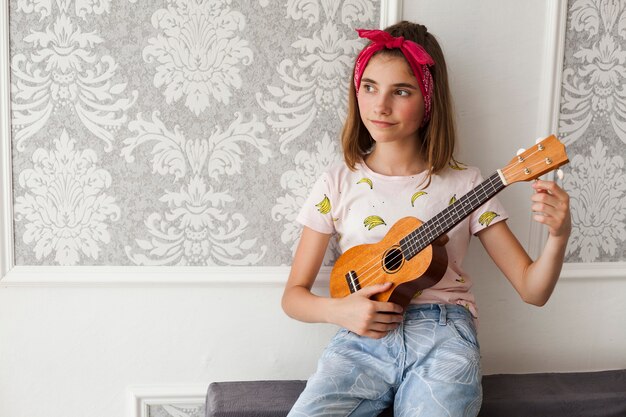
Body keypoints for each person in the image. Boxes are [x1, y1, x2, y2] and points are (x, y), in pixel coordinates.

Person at [282, 21, 571, 416]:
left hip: (443, 336)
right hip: (359, 339)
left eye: (400, 91)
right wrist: (338, 310)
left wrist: (558, 236)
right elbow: (293, 296)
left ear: (428, 101)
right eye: (369, 87)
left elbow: (532, 290)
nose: (379, 106)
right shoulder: (337, 181)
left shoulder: (468, 184)